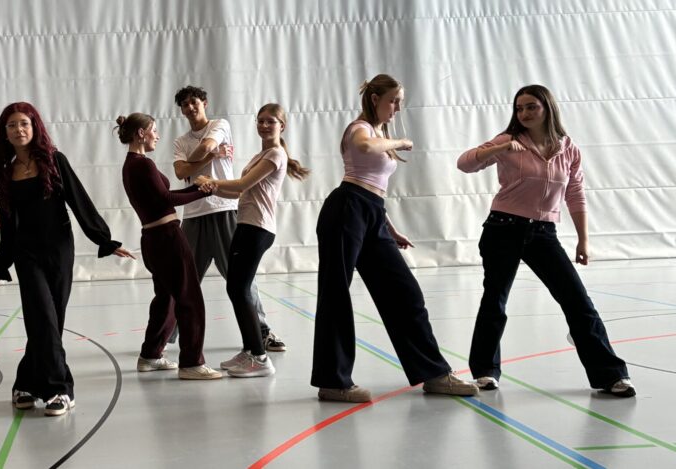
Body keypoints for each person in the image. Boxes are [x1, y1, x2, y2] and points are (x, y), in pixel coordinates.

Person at [457, 84, 634, 397]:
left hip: (543, 233)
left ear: (547, 108)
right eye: (519, 108)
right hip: (503, 228)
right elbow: (465, 163)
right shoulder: (509, 140)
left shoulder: (568, 148)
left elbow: (575, 193)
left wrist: (583, 240)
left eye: (531, 107)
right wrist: (499, 149)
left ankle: (610, 375)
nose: (524, 113)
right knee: (495, 300)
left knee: (578, 302)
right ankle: (484, 371)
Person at [311, 75, 479, 402]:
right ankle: (333, 381)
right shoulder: (360, 129)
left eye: (400, 101)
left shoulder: (378, 134)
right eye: (393, 100)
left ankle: (434, 374)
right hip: (346, 210)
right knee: (335, 294)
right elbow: (363, 149)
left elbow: (375, 187)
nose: (397, 108)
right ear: (375, 99)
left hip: (371, 213)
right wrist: (399, 142)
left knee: (405, 293)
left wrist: (388, 226)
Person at [0, 102, 136, 416]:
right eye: (12, 125)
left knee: (52, 321)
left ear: (34, 126)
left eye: (24, 123)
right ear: (4, 133)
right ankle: (59, 389)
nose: (19, 129)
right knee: (41, 317)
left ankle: (26, 381)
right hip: (26, 254)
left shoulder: (54, 160)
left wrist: (104, 239)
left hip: (59, 250)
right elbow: (8, 224)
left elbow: (79, 201)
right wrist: (1, 264)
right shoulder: (6, 171)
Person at [195, 103, 309, 378]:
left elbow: (241, 185)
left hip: (257, 228)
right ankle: (250, 350)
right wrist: (211, 188)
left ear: (282, 126)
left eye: (271, 121)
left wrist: (210, 180)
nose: (264, 125)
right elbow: (238, 194)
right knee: (236, 288)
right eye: (260, 120)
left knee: (239, 288)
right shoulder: (262, 155)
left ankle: (259, 357)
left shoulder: (275, 154)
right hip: (246, 224)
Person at [171, 86, 286, 352]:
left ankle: (262, 332)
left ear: (204, 102)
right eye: (185, 105)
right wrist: (210, 156)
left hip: (224, 210)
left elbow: (203, 150)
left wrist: (199, 159)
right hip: (194, 215)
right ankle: (166, 335)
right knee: (183, 278)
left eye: (194, 102)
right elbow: (180, 173)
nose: (190, 107)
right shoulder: (180, 141)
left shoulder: (219, 125)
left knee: (242, 280)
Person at [118, 112, 223, 380]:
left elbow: (162, 196)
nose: (157, 135)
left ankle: (151, 355)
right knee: (190, 298)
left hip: (153, 239)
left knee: (166, 298)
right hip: (167, 238)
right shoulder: (142, 164)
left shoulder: (131, 165)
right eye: (154, 130)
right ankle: (192, 363)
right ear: (141, 133)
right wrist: (203, 191)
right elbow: (167, 199)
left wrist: (199, 189)